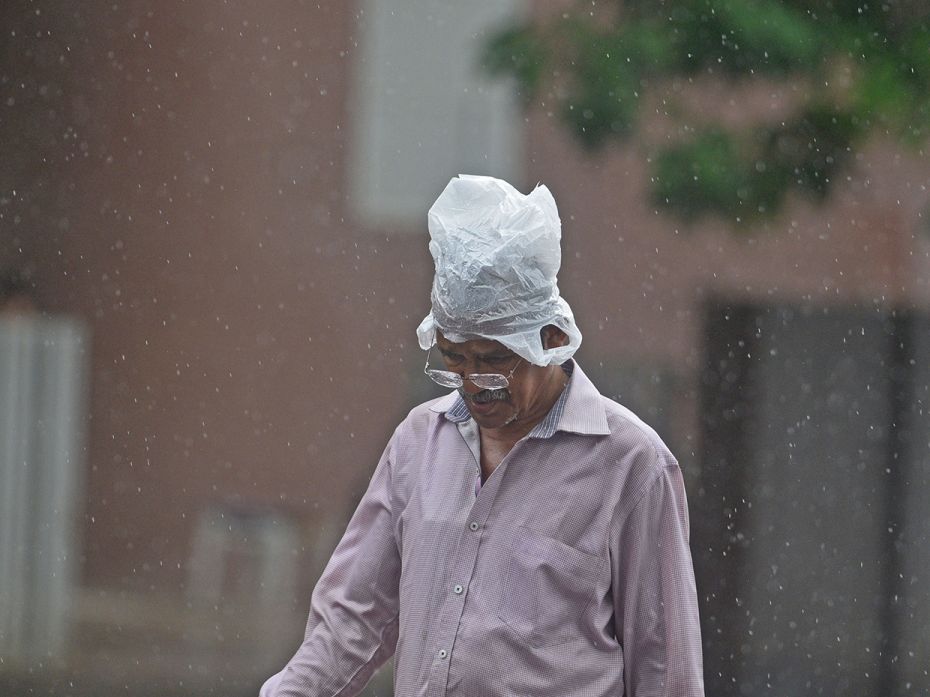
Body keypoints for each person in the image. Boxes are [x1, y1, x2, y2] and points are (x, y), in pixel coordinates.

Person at [260, 175, 704, 696]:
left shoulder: (631, 464)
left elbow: (665, 668)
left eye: (494, 363)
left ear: (552, 339)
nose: (474, 386)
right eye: (454, 360)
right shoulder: (418, 442)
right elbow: (352, 621)